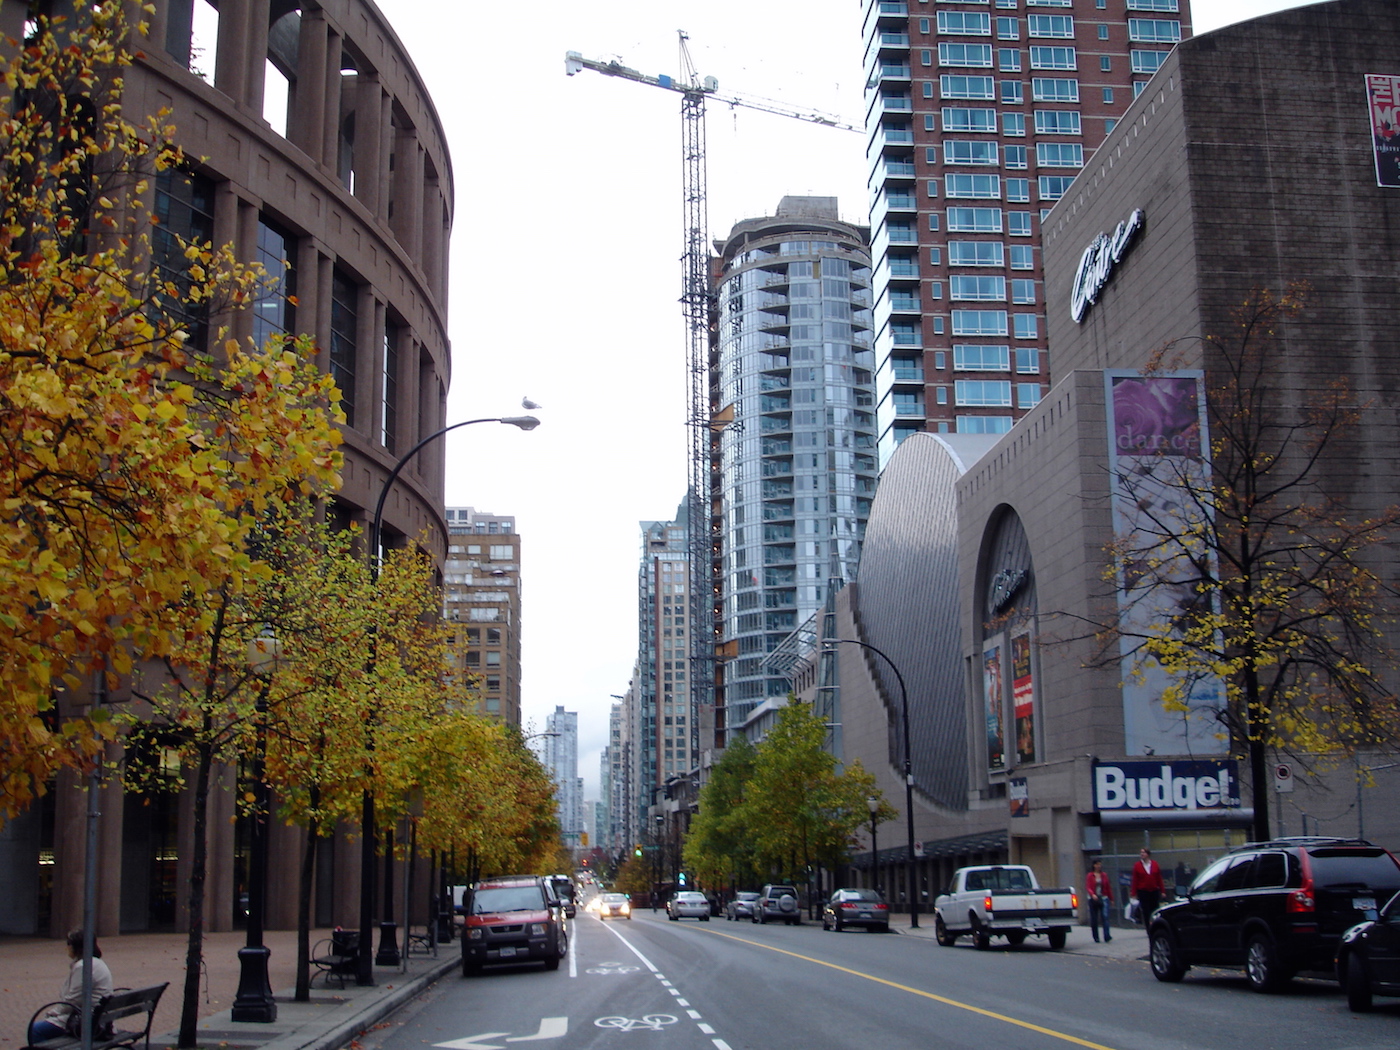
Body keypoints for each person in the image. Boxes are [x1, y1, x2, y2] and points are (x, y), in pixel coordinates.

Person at [27, 929, 114, 1045]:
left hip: (86, 1022)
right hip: (98, 1019)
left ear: (76, 947)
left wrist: (53, 1013)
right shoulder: (97, 962)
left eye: (68, 944)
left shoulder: (84, 966)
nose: (67, 948)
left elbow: (72, 1000)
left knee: (35, 1030)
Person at [1131, 847, 1165, 925]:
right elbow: (1135, 880)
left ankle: (1156, 926)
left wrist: (1163, 891)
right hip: (1143, 892)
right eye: (1141, 852)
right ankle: (1148, 928)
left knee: (1155, 910)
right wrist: (1134, 893)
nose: (1142, 854)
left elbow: (1159, 878)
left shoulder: (1155, 864)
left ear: (1148, 854)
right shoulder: (1137, 865)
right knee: (1146, 911)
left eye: (1144, 852)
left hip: (1154, 891)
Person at [1084, 858, 1113, 943]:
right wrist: (1092, 894)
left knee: (1105, 917)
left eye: (1099, 864)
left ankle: (1107, 935)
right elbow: (1088, 887)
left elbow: (1108, 887)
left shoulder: (1104, 875)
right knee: (1094, 919)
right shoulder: (1090, 875)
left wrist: (1111, 898)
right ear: (1094, 865)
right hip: (1093, 899)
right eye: (1097, 864)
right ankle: (1096, 936)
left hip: (1103, 897)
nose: (1098, 866)